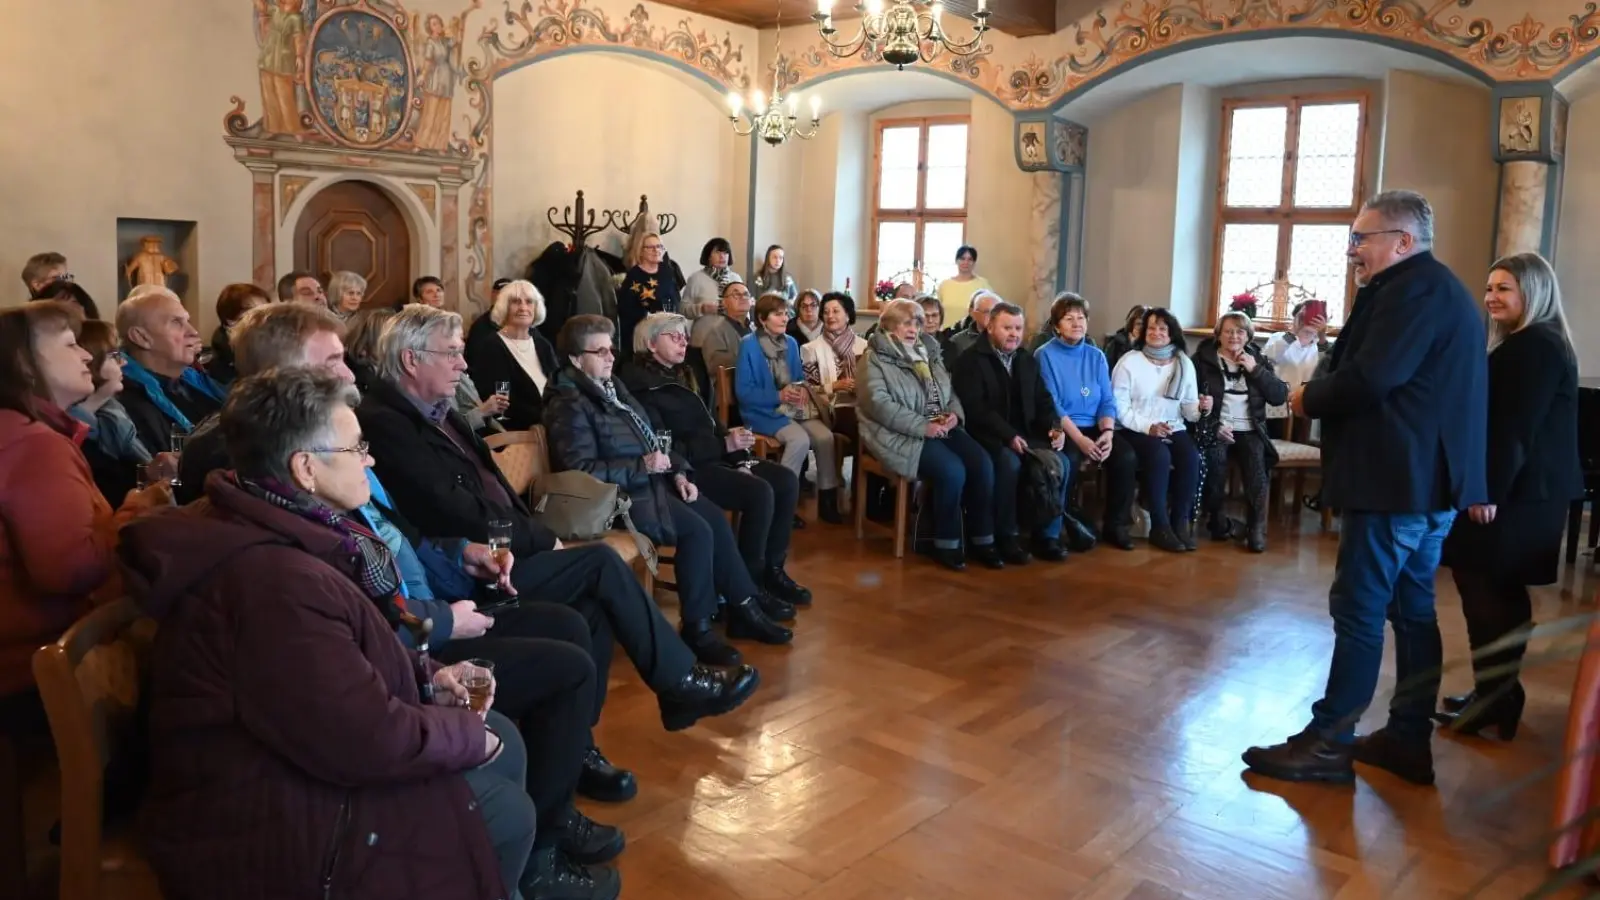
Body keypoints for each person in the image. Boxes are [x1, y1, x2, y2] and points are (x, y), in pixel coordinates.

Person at [119, 369, 620, 900]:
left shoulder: (283, 523)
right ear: (305, 468)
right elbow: (358, 738)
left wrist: (431, 674)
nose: (371, 459)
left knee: (504, 735)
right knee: (506, 807)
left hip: (293, 757)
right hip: (260, 810)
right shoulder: (272, 582)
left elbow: (347, 657)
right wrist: (464, 733)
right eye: (358, 448)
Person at [176, 301, 642, 811]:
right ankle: (546, 822)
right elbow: (353, 623)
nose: (350, 372)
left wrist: (462, 554)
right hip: (406, 641)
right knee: (565, 656)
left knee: (574, 622)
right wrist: (441, 626)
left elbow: (398, 537)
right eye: (332, 361)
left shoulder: (327, 460)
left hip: (422, 610)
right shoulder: (284, 496)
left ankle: (570, 761)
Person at [356, 305, 762, 731]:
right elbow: (452, 510)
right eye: (452, 352)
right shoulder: (388, 424)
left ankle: (581, 740)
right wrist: (541, 536)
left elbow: (486, 496)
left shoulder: (440, 412)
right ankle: (679, 681)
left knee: (594, 604)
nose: (463, 362)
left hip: (499, 551)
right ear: (411, 359)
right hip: (469, 570)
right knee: (600, 563)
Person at [1244, 190, 1488, 787]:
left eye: (1363, 237)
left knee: (1358, 610)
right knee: (1411, 613)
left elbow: (1373, 377)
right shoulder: (1432, 289)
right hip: (1421, 484)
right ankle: (1407, 739)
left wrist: (1306, 398)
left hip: (1396, 484)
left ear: (1402, 242)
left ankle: (1330, 742)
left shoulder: (1413, 290)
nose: (1353, 249)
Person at [545, 314, 793, 664]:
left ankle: (742, 607)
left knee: (711, 518)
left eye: (610, 349)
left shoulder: (612, 387)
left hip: (650, 483)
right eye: (599, 351)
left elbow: (652, 439)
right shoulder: (569, 402)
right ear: (574, 358)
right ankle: (699, 628)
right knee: (696, 530)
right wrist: (643, 467)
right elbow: (579, 471)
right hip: (613, 499)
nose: (609, 357)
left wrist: (679, 472)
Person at [0, 303, 167, 780]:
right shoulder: (32, 444)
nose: (86, 356)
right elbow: (71, 571)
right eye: (70, 344)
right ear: (23, 363)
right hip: (34, 670)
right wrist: (139, 507)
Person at [1435, 252, 1581, 741]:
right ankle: (1497, 694)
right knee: (1497, 591)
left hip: (1515, 494)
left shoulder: (1534, 345)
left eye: (1505, 289)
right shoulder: (1532, 341)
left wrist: (1485, 490)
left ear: (1532, 293)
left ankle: (1496, 698)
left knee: (1486, 590)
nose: (1492, 297)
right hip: (1525, 493)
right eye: (1490, 287)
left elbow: (1514, 430)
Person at [618, 313, 811, 612]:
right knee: (758, 492)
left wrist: (739, 457)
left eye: (684, 335)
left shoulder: (683, 373)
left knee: (784, 480)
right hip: (687, 470)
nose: (684, 342)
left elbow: (712, 424)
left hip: (715, 455)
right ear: (651, 343)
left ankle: (772, 572)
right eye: (674, 336)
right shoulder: (641, 388)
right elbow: (665, 447)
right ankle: (750, 586)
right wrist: (723, 445)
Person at [859, 299, 1001, 571]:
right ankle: (944, 542)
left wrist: (954, 415)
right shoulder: (874, 359)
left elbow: (949, 393)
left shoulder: (929, 353)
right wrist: (922, 426)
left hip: (940, 426)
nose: (913, 329)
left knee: (982, 463)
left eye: (917, 323)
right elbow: (877, 404)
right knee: (952, 471)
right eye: (905, 323)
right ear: (889, 326)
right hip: (899, 434)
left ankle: (982, 538)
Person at [950, 301, 1071, 563]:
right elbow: (976, 408)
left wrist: (1054, 427)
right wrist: (1008, 436)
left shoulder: (1026, 360)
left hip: (1026, 433)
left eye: (1018, 328)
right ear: (991, 327)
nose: (1014, 334)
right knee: (1009, 464)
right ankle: (1006, 535)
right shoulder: (970, 360)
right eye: (1007, 328)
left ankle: (1047, 535)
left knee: (1062, 462)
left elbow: (1044, 401)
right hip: (986, 434)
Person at [1034, 293, 1131, 551]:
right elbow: (1053, 404)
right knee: (1071, 460)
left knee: (1126, 457)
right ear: (1056, 325)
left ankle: (1115, 525)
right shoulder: (1045, 355)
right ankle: (1057, 529)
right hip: (1064, 428)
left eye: (1081, 317)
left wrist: (1108, 433)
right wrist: (1080, 440)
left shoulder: (1096, 355)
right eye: (1069, 318)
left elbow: (1107, 400)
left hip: (1096, 426)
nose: (1077, 323)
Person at [736, 292, 843, 524]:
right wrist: (778, 395)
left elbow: (797, 378)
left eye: (786, 313)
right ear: (763, 319)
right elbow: (744, 393)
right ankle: (781, 504)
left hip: (792, 407)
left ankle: (827, 500)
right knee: (800, 440)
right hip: (762, 411)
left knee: (825, 437)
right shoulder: (748, 345)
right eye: (778, 314)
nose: (785, 318)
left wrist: (802, 390)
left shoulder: (792, 343)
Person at [1110, 308, 1208, 553]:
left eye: (1162, 328)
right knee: (1159, 456)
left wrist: (1202, 407)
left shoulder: (1183, 362)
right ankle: (1159, 526)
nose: (1156, 333)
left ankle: (1180, 522)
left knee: (1190, 457)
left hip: (1172, 426)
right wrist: (1148, 427)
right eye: (1151, 328)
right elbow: (1118, 407)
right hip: (1136, 428)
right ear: (1143, 332)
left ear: (1171, 333)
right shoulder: (1129, 362)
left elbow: (1189, 410)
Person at [1193, 311, 1288, 553]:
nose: (1234, 336)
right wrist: (1214, 425)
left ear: (1247, 336)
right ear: (1219, 335)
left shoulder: (1258, 360)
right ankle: (1218, 519)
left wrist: (1256, 370)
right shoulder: (1203, 360)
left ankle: (1256, 527)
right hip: (1217, 427)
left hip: (1250, 429)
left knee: (1257, 467)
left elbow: (1278, 397)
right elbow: (1189, 398)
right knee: (1215, 462)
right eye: (1228, 331)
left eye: (1240, 331)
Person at [114, 286, 228, 452]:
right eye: (176, 322)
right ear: (141, 337)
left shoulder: (193, 381)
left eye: (187, 321)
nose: (193, 332)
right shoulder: (125, 399)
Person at [465, 279, 559, 430]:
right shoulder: (493, 346)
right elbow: (503, 404)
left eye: (529, 302)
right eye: (516, 302)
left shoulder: (542, 343)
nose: (523, 307)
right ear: (504, 308)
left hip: (553, 424)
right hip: (520, 432)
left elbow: (558, 384)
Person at [617, 232, 681, 359]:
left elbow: (675, 299)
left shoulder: (667, 271)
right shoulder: (634, 275)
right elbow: (625, 309)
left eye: (659, 247)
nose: (656, 250)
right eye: (650, 247)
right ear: (641, 251)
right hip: (642, 334)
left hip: (667, 331)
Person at [204, 282, 271, 385]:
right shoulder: (220, 363)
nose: (264, 319)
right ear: (230, 320)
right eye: (255, 312)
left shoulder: (270, 347)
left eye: (266, 311)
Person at [691, 277, 752, 374]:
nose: (742, 297)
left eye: (746, 294)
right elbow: (716, 366)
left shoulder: (756, 329)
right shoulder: (716, 332)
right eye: (736, 294)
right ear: (724, 303)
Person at [934, 245, 990, 329]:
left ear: (974, 262)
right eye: (962, 258)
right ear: (956, 261)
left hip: (972, 334)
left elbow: (989, 311)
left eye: (970, 259)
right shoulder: (944, 285)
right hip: (945, 333)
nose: (965, 262)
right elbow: (937, 311)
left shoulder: (983, 284)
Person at [682, 237, 736, 319]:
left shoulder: (735, 278)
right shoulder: (696, 278)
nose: (722, 256)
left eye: (725, 253)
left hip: (732, 330)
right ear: (709, 256)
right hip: (704, 330)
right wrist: (701, 309)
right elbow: (682, 310)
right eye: (717, 252)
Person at [943, 289, 1001, 361]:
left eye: (996, 312)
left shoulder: (1008, 338)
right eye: (987, 312)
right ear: (974, 313)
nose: (992, 316)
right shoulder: (957, 342)